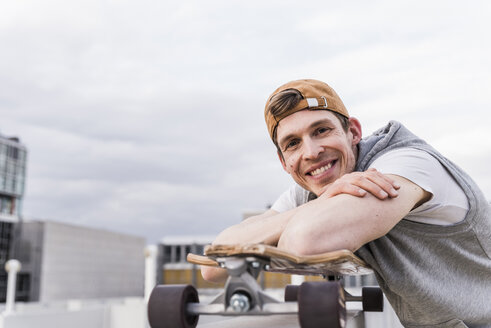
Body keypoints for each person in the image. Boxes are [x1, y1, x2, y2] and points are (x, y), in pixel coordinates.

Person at [202, 79, 491, 327]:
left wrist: (312, 208)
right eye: (293, 143)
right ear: (283, 162)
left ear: (353, 132)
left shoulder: (405, 165)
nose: (312, 152)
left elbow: (305, 242)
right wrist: (322, 200)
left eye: (321, 130)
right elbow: (214, 265)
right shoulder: (317, 190)